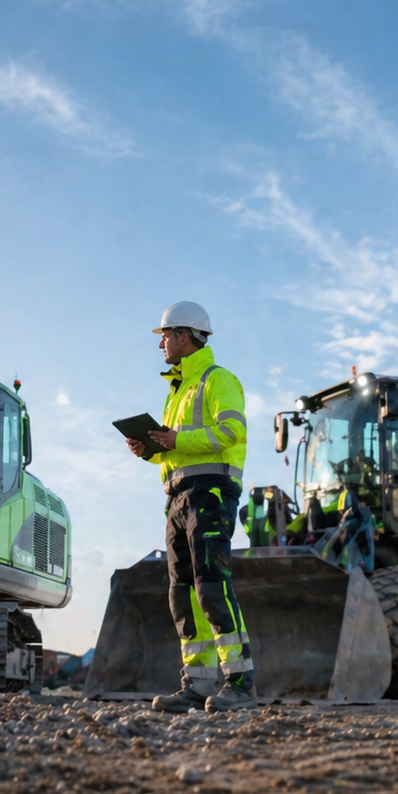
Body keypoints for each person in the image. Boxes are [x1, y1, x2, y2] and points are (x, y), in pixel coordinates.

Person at [124, 301, 255, 712]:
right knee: (182, 595)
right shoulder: (176, 392)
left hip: (210, 494)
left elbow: (231, 431)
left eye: (164, 335)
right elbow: (177, 449)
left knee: (212, 587)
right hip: (178, 498)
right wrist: (150, 450)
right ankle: (197, 684)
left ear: (184, 336)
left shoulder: (218, 380)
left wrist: (176, 440)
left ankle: (240, 683)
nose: (160, 343)